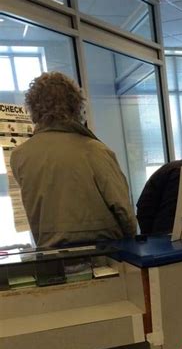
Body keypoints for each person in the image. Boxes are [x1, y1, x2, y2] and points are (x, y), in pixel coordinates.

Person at [10, 72, 136, 248]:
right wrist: (131, 242)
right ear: (76, 106)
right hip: (105, 256)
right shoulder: (95, 150)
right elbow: (124, 211)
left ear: (33, 110)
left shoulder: (19, 156)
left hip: (52, 258)